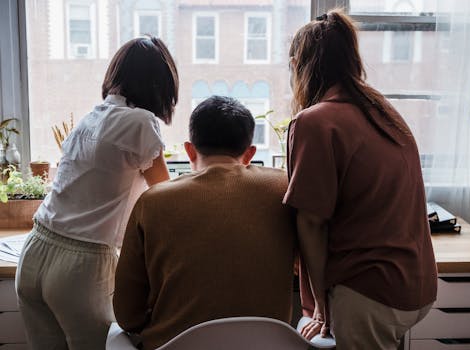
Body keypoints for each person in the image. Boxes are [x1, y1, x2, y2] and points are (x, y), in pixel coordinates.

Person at [284, 9, 438, 350]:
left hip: (371, 292)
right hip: (417, 283)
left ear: (298, 65)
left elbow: (311, 223)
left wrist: (322, 306)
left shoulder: (315, 122)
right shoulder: (381, 109)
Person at [15, 36, 179, 350]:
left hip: (36, 249)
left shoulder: (92, 118)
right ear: (161, 85)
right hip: (81, 265)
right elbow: (167, 194)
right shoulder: (141, 122)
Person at [113, 96, 296, 350]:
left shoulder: (152, 202)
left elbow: (127, 314)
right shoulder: (285, 190)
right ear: (250, 154)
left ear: (189, 150)